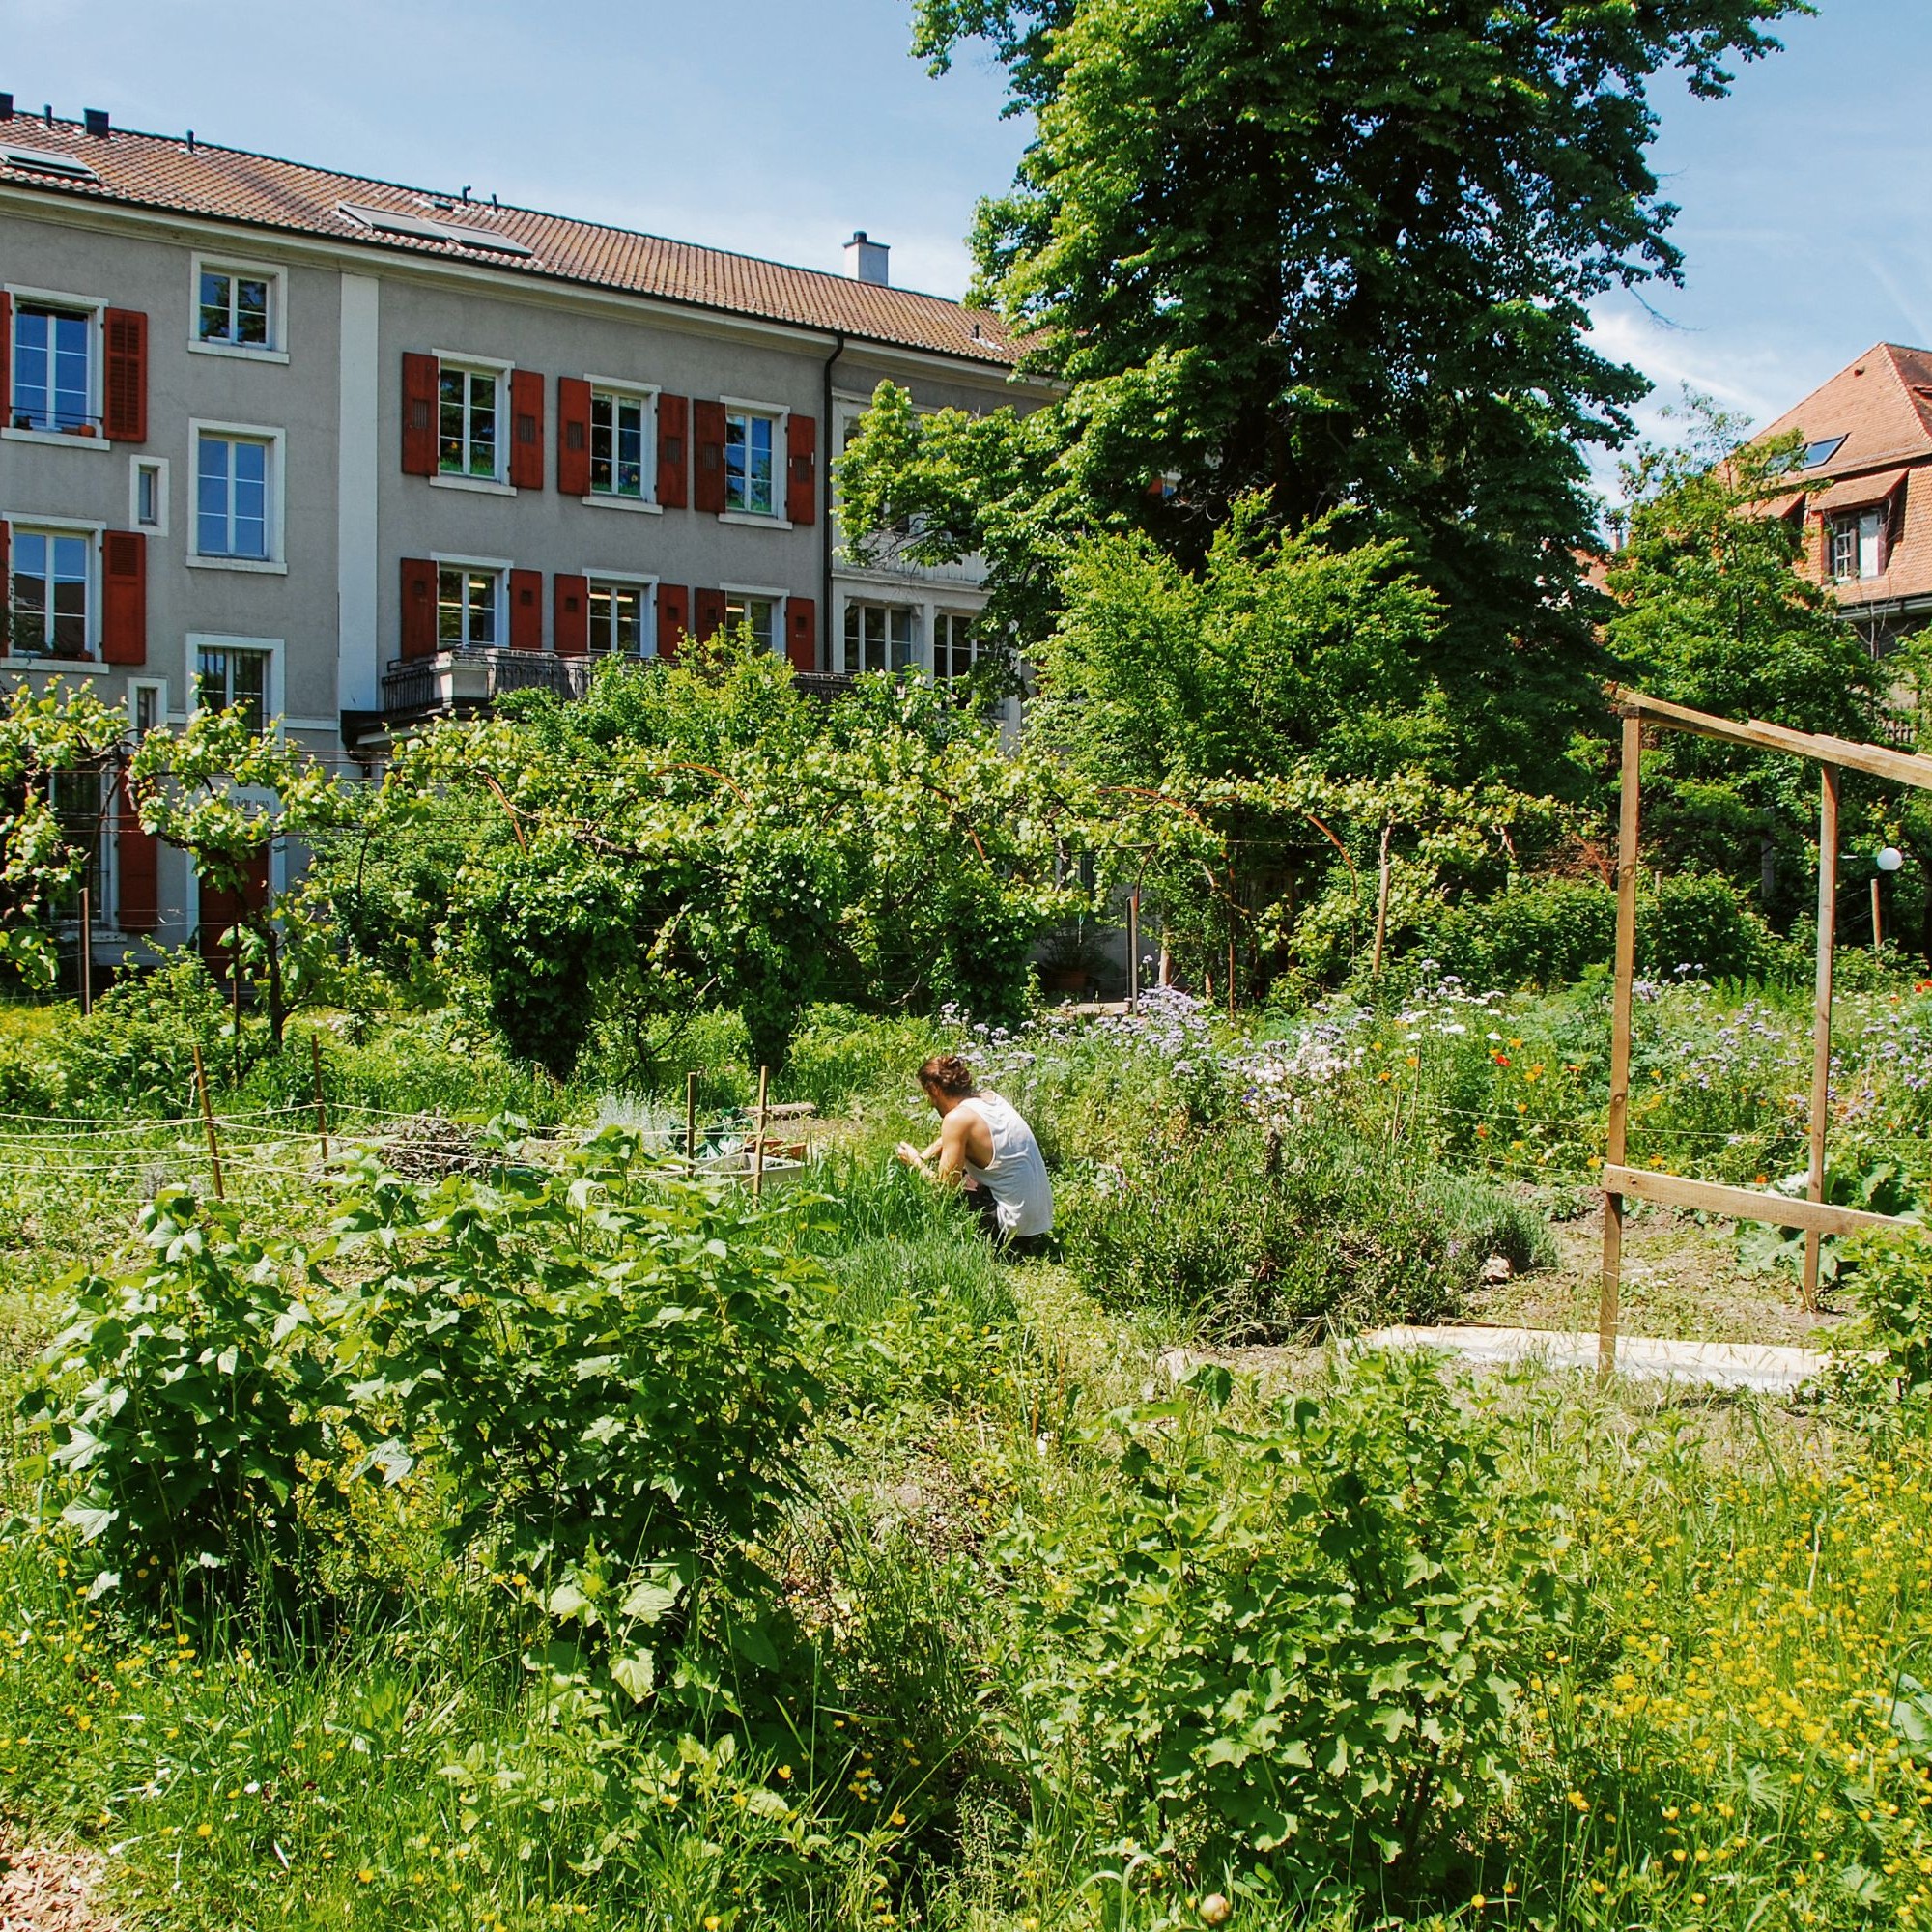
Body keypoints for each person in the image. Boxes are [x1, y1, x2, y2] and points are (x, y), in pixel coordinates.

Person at [895, 1053, 1053, 1252]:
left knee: (952, 1189)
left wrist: (915, 1162)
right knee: (966, 1176)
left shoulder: (956, 1119)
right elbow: (949, 1140)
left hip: (1012, 1231)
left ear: (934, 1089)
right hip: (1038, 1221)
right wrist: (926, 1155)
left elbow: (944, 1190)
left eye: (928, 1095)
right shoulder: (989, 1099)